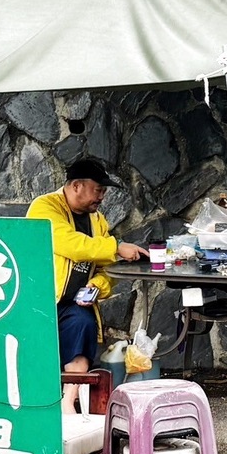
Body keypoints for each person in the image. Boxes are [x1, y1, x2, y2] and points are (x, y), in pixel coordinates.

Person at [27, 159, 147, 414]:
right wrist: (116, 246)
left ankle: (67, 401)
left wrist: (97, 285)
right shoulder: (44, 207)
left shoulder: (98, 221)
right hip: (38, 299)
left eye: (104, 192)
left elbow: (106, 269)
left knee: (84, 326)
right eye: (98, 190)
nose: (102, 197)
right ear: (77, 186)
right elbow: (70, 244)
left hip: (75, 303)